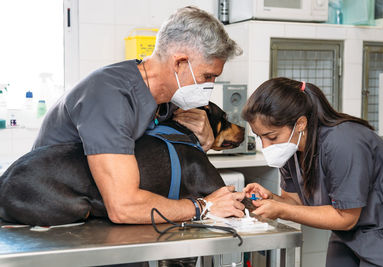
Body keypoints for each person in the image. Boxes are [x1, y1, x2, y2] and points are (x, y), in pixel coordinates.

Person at [32, 6, 245, 224]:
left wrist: (203, 142)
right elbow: (123, 207)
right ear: (180, 63)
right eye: (207, 76)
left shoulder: (168, 101)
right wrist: (204, 206)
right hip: (55, 214)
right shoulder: (110, 97)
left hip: (102, 211)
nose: (210, 86)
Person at [242, 77, 383, 267]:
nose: (266, 146)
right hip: (349, 234)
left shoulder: (344, 142)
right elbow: (296, 202)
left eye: (272, 136)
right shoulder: (292, 148)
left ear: (300, 124)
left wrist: (281, 210)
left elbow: (346, 218)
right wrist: (272, 200)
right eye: (260, 137)